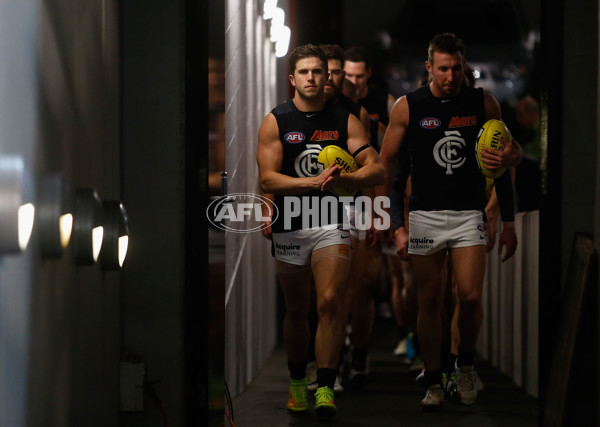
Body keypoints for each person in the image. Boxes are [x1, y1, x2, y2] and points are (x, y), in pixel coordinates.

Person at [378, 33, 521, 411]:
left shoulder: (483, 104)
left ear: (464, 66)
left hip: (469, 213)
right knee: (430, 299)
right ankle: (434, 377)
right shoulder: (409, 107)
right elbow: (387, 170)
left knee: (470, 296)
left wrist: (508, 223)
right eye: (443, 68)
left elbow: (505, 164)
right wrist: (395, 224)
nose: (451, 75)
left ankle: (466, 366)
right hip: (424, 214)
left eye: (457, 68)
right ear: (429, 68)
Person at [256, 44, 384, 420]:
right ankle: (298, 382)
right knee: (298, 310)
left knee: (329, 301)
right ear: (293, 79)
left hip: (332, 221)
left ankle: (326, 388)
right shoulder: (275, 121)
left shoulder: (345, 120)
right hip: (291, 223)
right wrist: (312, 182)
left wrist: (350, 178)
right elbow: (267, 177)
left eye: (319, 72)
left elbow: (376, 169)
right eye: (305, 73)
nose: (313, 78)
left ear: (328, 77)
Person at [513, 95, 541, 212]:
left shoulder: (541, 130)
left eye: (520, 114)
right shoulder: (530, 130)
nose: (517, 119)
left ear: (531, 113)